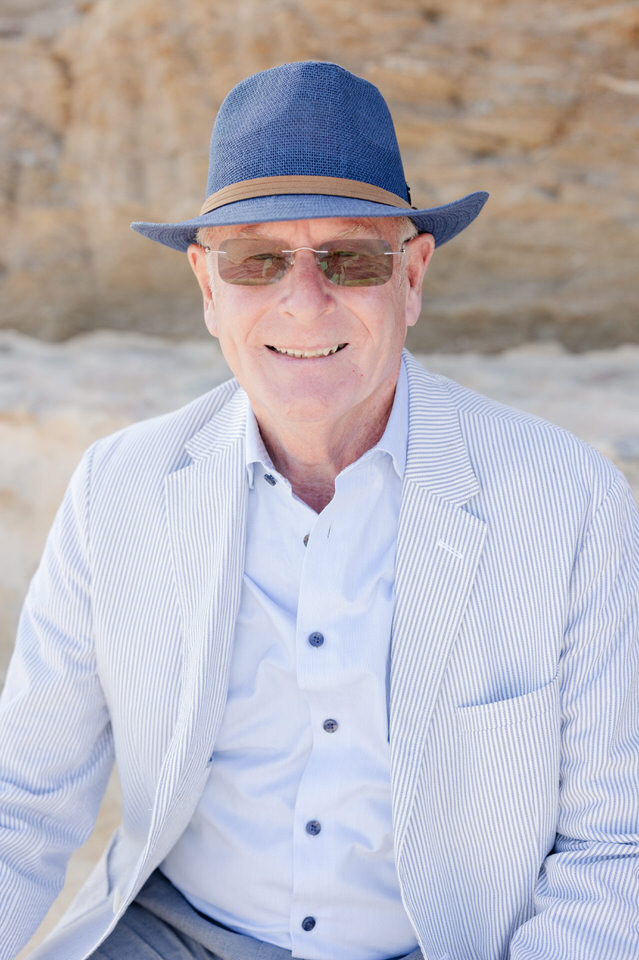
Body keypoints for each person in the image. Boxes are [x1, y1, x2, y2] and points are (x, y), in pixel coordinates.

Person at [0, 60, 637, 960]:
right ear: (207, 287)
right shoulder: (118, 487)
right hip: (170, 936)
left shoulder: (569, 503)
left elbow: (615, 846)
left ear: (411, 278)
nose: (304, 303)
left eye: (352, 259)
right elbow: (21, 798)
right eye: (256, 261)